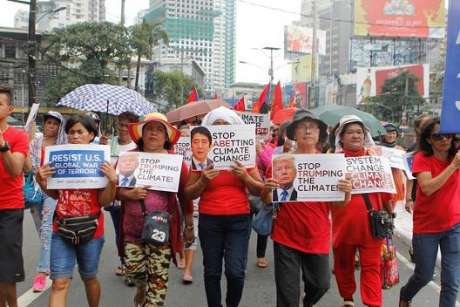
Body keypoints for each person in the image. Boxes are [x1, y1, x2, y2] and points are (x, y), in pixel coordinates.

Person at [261, 110, 352, 307]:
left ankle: (307, 301)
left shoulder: (331, 164)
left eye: (313, 127)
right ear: (293, 133)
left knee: (321, 284)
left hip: (317, 235)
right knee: (287, 295)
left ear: (320, 133)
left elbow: (339, 205)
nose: (308, 130)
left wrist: (346, 192)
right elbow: (268, 200)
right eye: (303, 126)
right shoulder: (280, 163)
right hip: (286, 236)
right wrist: (266, 190)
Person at [185, 106, 264, 307]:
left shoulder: (244, 157)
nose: (220, 130)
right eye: (215, 126)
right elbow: (188, 193)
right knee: (211, 271)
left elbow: (260, 190)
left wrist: (245, 177)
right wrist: (203, 180)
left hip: (239, 219)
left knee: (235, 272)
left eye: (225, 126)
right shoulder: (200, 157)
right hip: (210, 219)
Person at [36, 114, 117, 307]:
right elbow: (56, 195)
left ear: (91, 134)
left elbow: (105, 201)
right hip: (61, 228)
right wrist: (41, 181)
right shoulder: (58, 158)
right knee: (59, 283)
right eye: (71, 132)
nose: (74, 135)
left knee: (89, 278)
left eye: (80, 131)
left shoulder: (102, 161)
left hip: (92, 229)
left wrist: (112, 181)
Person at [116, 112, 194, 307]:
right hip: (132, 230)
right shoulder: (128, 158)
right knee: (134, 272)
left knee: (158, 284)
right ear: (142, 133)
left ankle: (151, 296)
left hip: (162, 231)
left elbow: (185, 196)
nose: (153, 133)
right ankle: (141, 287)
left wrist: (189, 225)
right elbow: (114, 192)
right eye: (149, 129)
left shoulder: (175, 162)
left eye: (159, 130)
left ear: (166, 136)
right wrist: (128, 195)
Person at [331, 115, 393, 307]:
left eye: (359, 132)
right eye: (350, 132)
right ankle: (347, 298)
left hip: (371, 225)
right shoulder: (332, 162)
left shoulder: (376, 159)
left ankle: (373, 303)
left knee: (372, 267)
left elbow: (386, 191)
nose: (355, 135)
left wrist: (390, 209)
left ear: (365, 135)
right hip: (342, 224)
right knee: (343, 265)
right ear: (341, 137)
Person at [399, 118, 460, 307]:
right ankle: (406, 294)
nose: (444, 140)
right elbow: (427, 188)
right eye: (438, 136)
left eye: (448, 135)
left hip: (454, 226)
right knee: (424, 275)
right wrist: (453, 166)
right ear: (428, 140)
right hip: (427, 229)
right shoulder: (421, 159)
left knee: (451, 281)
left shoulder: (456, 156)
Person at [25, 111, 66, 292]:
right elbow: (28, 166)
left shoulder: (62, 146)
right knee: (42, 229)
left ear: (60, 127)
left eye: (55, 124)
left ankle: (42, 271)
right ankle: (55, 256)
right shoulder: (34, 142)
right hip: (35, 189)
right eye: (48, 123)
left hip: (52, 189)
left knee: (47, 228)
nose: (51, 126)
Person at [0, 86, 29, 307]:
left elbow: (15, 170)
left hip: (8, 209)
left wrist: (3, 147)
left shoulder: (18, 135)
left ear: (10, 109)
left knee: (7, 273)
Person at [107, 111, 138, 281]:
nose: (124, 128)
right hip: (114, 196)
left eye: (127, 125)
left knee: (131, 231)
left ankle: (132, 264)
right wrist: (102, 149)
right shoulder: (108, 144)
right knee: (120, 232)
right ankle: (124, 261)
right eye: (121, 124)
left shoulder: (137, 147)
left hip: (132, 196)